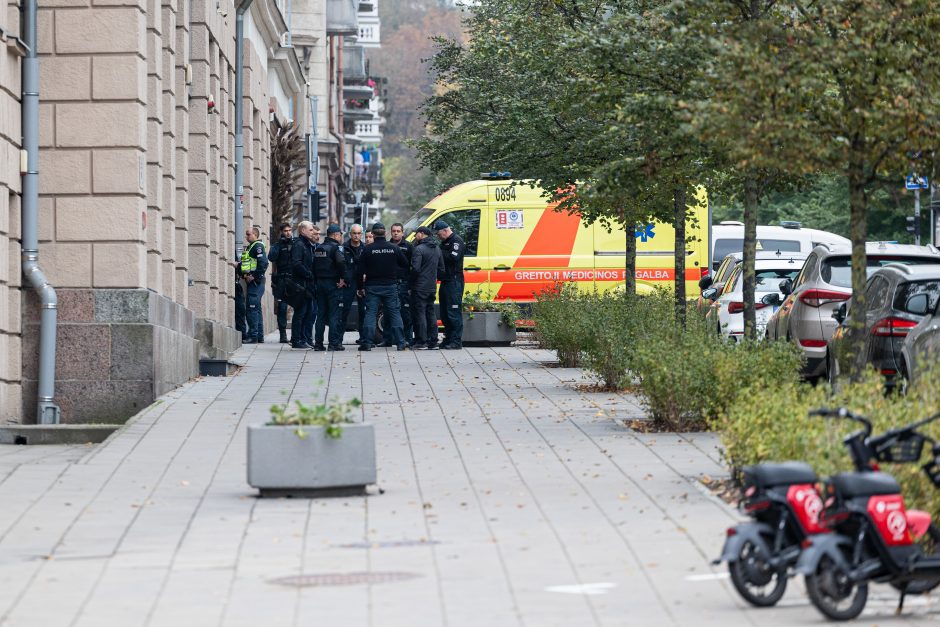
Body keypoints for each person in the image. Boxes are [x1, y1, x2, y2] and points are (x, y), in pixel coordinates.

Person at [357, 223, 408, 351]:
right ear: (385, 233)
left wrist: (360, 287)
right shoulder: (394, 248)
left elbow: (359, 271)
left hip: (372, 286)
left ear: (373, 234)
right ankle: (401, 343)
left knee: (370, 314)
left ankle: (367, 343)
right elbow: (405, 264)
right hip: (390, 286)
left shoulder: (368, 249)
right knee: (395, 313)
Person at [313, 224, 347, 351]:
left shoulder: (319, 248)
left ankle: (318, 344)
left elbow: (313, 266)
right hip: (333, 284)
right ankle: (333, 344)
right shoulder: (335, 248)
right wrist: (343, 278)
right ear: (336, 235)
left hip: (320, 283)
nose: (341, 237)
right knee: (334, 314)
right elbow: (341, 262)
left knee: (320, 315)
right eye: (340, 235)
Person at [410, 226, 444, 349]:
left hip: (419, 286)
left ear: (422, 234)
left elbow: (415, 269)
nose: (415, 236)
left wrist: (410, 283)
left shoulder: (419, 249)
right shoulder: (437, 249)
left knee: (420, 313)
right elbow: (441, 269)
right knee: (431, 313)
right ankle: (433, 341)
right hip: (431, 286)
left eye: (416, 234)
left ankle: (421, 341)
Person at [233, 226, 268, 343]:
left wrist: (254, 276)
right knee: (256, 308)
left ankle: (253, 336)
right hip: (253, 281)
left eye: (248, 234)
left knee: (252, 308)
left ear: (255, 235)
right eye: (246, 234)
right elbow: (249, 264)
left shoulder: (257, 246)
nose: (246, 237)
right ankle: (259, 336)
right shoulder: (251, 247)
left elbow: (263, 263)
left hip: (256, 282)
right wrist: (239, 266)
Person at [383, 222, 414, 347]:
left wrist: (410, 285)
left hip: (403, 283)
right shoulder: (387, 246)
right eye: (394, 231)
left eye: (398, 231)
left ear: (402, 232)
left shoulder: (409, 246)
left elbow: (412, 266)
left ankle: (407, 339)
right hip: (389, 283)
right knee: (387, 312)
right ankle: (387, 339)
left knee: (405, 312)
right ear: (391, 232)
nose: (396, 233)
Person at [436, 221, 465, 349]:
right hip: (445, 281)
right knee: (445, 313)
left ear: (445, 231)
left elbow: (453, 258)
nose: (438, 236)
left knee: (453, 311)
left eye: (439, 234)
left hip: (454, 281)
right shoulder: (444, 242)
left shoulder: (456, 241)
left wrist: (438, 252)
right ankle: (448, 338)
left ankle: (456, 341)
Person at [289, 221, 318, 349]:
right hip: (300, 285)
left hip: (307, 285)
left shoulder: (308, 245)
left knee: (308, 312)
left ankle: (304, 338)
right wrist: (308, 274)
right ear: (302, 231)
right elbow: (296, 264)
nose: (313, 232)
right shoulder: (299, 244)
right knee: (301, 312)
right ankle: (297, 340)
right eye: (311, 230)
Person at [268, 222, 294, 343]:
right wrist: (280, 244)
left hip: (294, 279)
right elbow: (271, 257)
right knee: (282, 308)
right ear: (281, 232)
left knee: (300, 307)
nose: (288, 233)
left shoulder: (295, 243)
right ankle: (283, 334)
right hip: (282, 280)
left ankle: (298, 335)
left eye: (289, 230)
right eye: (285, 231)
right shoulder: (278, 245)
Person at [342, 224, 367, 343]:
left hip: (362, 284)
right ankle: (338, 339)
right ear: (350, 234)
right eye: (354, 233)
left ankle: (363, 338)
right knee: (344, 310)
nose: (356, 236)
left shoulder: (365, 248)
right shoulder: (343, 248)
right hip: (348, 284)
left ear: (361, 234)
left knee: (363, 311)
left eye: (358, 233)